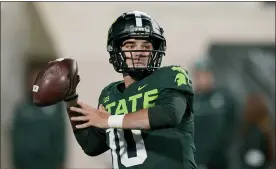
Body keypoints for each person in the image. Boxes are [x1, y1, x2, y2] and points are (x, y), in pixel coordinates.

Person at [64, 11, 197, 169]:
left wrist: (109, 120)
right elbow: (91, 145)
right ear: (117, 51)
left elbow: (169, 113)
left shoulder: (171, 75)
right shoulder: (109, 95)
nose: (139, 52)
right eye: (130, 45)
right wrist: (70, 98)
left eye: (146, 46)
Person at [11, 56, 67, 169]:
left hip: (49, 164)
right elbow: (16, 140)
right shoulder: (22, 109)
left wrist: (60, 162)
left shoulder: (56, 108)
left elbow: (60, 137)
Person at [192, 60, 237, 169]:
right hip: (197, 158)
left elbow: (234, 123)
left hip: (220, 158)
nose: (202, 79)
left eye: (205, 74)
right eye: (199, 75)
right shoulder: (189, 100)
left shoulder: (223, 97)